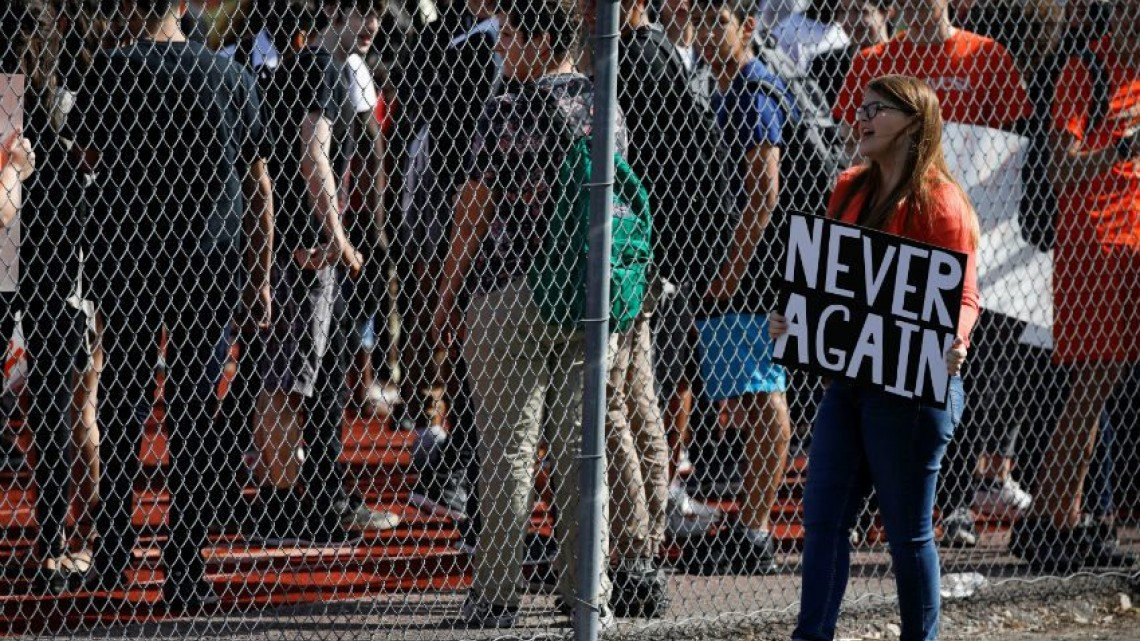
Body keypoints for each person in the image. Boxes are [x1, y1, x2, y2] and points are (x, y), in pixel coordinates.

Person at [67, 0, 274, 608]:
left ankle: (110, 555)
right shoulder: (230, 77)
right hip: (206, 260)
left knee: (124, 395)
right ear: (183, 8)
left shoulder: (110, 70)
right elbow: (259, 184)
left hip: (129, 253)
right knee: (192, 408)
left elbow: (89, 159)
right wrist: (258, 277)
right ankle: (183, 569)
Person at [433, 0, 619, 627]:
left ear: (543, 40)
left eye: (511, 34)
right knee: (576, 447)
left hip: (509, 287)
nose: (501, 45)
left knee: (507, 447)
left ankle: (495, 593)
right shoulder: (603, 102)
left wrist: (446, 293)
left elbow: (474, 210)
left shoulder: (508, 106)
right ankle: (584, 591)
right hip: (583, 292)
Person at [778, 74, 976, 641]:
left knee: (908, 533)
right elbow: (833, 283)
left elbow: (963, 293)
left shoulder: (943, 204)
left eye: (875, 110)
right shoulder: (848, 187)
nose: (859, 118)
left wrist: (955, 338)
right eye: (859, 108)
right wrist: (798, 317)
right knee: (822, 521)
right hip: (849, 381)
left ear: (913, 123)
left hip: (912, 389)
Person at [833, 0, 1031, 548]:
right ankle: (873, 503)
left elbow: (1013, 147)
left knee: (955, 365)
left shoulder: (987, 56)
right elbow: (852, 139)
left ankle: (957, 500)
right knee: (876, 370)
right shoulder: (877, 58)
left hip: (963, 232)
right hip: (885, 245)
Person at [1013, 0, 1140, 573]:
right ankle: (1051, 519)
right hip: (1093, 250)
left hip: (1127, 246)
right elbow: (1060, 167)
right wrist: (1117, 151)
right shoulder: (1084, 68)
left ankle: (1056, 518)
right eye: (1129, 13)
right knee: (1090, 388)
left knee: (1100, 389)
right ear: (1112, 15)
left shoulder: (1133, 77)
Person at [691, 0, 794, 575]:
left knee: (762, 393)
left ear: (747, 27)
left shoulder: (754, 90)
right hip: (746, 266)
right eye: (700, 22)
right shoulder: (724, 87)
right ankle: (750, 521)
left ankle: (755, 529)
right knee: (751, 396)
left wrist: (730, 271)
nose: (707, 34)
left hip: (757, 270)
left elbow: (764, 192)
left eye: (719, 22)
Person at [400, 0, 503, 530]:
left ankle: (451, 461)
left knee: (461, 334)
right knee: (466, 337)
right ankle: (457, 471)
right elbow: (456, 145)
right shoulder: (478, 50)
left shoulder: (460, 43)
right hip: (463, 204)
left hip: (452, 202)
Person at [809, 0, 894, 108]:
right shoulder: (824, 64)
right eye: (843, 11)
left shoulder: (903, 58)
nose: (850, 20)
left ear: (886, 13)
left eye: (861, 11)